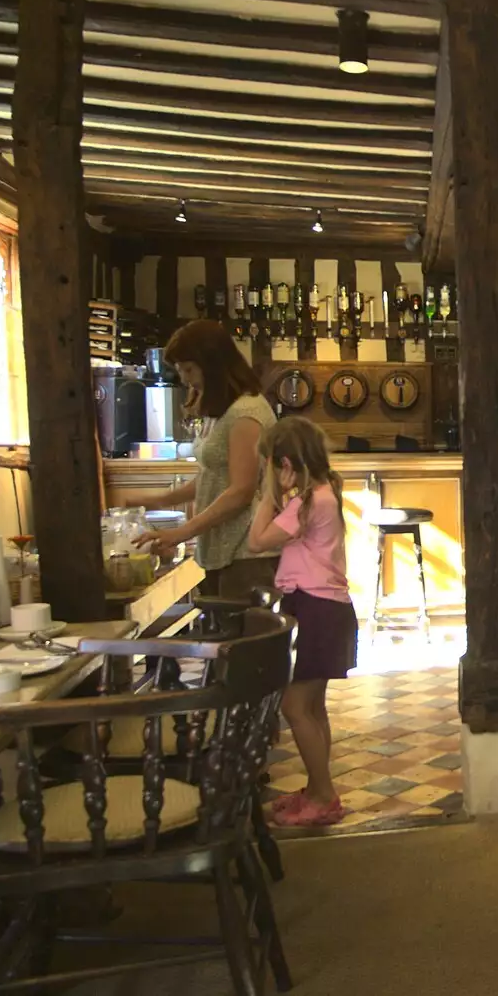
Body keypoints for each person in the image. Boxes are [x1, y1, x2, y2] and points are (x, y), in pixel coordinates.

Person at [248, 416, 357, 828]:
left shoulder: (307, 502)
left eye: (272, 466)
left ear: (288, 465)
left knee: (294, 706)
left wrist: (266, 494)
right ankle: (317, 789)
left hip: (315, 609)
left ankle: (325, 795)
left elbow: (257, 541)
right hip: (326, 609)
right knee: (313, 707)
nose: (271, 475)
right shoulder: (324, 494)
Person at [137, 320, 279, 597]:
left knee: (243, 638)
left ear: (214, 365)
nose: (185, 379)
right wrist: (157, 501)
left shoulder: (246, 412)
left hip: (247, 554)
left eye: (189, 369)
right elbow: (213, 474)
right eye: (180, 370)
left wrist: (180, 533)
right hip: (223, 549)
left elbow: (241, 491)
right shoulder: (222, 411)